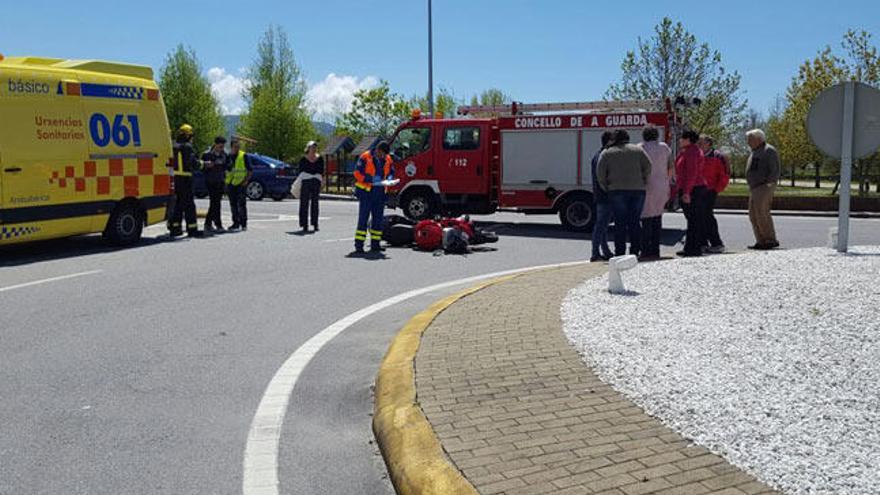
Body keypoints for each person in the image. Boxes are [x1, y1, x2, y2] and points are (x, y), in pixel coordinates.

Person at [597, 129, 651, 257]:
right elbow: (648, 166)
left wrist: (607, 187)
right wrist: (643, 181)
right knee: (635, 222)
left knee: (619, 223)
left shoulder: (607, 153)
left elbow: (600, 174)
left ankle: (620, 252)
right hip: (638, 190)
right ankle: (635, 250)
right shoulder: (638, 150)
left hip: (616, 190)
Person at [352, 141, 395, 254]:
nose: (383, 157)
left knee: (378, 221)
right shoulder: (365, 157)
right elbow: (357, 173)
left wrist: (390, 178)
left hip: (380, 193)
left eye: (385, 155)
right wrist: (370, 179)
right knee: (363, 220)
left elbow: (391, 170)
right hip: (367, 193)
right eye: (382, 154)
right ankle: (359, 245)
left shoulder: (388, 158)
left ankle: (375, 244)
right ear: (377, 150)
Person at [638, 126, 673, 260]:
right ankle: (655, 250)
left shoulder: (640, 148)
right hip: (662, 186)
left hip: (646, 186)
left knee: (646, 219)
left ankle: (645, 250)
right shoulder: (664, 148)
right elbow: (670, 167)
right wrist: (667, 182)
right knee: (657, 219)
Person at [675, 130, 710, 257]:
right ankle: (690, 247)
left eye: (682, 138)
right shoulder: (688, 151)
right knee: (692, 220)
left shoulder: (692, 152)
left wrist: (686, 192)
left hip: (694, 189)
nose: (679, 140)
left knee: (694, 220)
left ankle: (694, 248)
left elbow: (691, 173)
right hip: (692, 188)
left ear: (688, 139)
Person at [745, 129, 780, 250]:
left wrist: (770, 183)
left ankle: (770, 239)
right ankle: (760, 240)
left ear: (759, 139)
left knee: (762, 213)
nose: (748, 142)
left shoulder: (769, 150)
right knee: (753, 215)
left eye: (750, 139)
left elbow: (774, 169)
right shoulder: (754, 152)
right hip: (754, 187)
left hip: (764, 186)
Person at [169, 124, 203, 238]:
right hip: (186, 178)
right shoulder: (188, 147)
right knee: (189, 205)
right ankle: (192, 229)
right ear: (188, 136)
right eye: (191, 136)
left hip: (175, 178)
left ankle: (175, 228)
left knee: (178, 204)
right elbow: (192, 163)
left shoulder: (173, 146)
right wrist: (203, 164)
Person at [699, 134, 730, 253]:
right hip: (699, 191)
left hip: (710, 191)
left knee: (708, 217)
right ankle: (703, 243)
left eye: (701, 142)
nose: (699, 144)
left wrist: (716, 190)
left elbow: (724, 176)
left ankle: (717, 243)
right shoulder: (699, 156)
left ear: (709, 143)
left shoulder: (719, 156)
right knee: (700, 218)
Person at [590, 131, 615, 262]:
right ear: (609, 141)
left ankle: (605, 251)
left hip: (601, 195)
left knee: (603, 226)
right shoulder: (603, 156)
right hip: (605, 195)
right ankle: (595, 253)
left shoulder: (598, 155)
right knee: (601, 225)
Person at [201, 136, 227, 232]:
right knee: (214, 203)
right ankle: (217, 224)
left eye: (223, 146)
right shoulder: (207, 155)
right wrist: (207, 166)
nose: (221, 148)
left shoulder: (223, 154)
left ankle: (209, 224)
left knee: (216, 203)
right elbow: (201, 168)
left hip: (220, 181)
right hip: (210, 181)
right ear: (215, 144)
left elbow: (226, 166)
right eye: (220, 146)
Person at [226, 138, 252, 231]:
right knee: (233, 204)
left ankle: (243, 224)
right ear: (231, 147)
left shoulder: (243, 155)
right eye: (235, 147)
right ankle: (235, 223)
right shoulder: (228, 156)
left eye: (238, 146)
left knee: (241, 204)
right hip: (231, 184)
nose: (237, 148)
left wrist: (246, 181)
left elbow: (250, 170)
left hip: (241, 184)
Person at [297, 141, 324, 232]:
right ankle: (304, 224)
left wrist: (321, 182)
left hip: (316, 182)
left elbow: (321, 171)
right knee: (304, 203)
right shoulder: (303, 159)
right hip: (305, 182)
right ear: (308, 148)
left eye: (315, 147)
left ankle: (315, 224)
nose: (314, 149)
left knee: (315, 203)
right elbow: (301, 171)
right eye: (312, 147)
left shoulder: (319, 158)